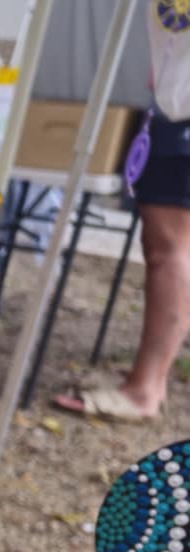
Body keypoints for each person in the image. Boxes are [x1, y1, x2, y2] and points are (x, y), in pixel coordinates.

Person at [57, 0, 190, 420]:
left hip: (184, 113)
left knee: (169, 248)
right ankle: (153, 376)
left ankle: (144, 389)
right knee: (168, 245)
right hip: (174, 103)